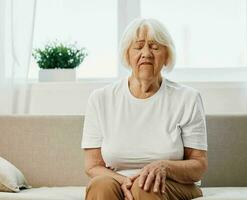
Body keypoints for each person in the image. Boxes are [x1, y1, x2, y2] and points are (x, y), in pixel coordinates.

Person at [81, 18, 208, 200]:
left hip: (172, 183)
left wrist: (164, 167)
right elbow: (92, 166)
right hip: (118, 180)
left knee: (146, 187)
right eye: (138, 46)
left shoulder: (188, 98)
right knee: (100, 186)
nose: (146, 53)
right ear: (127, 55)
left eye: (155, 47)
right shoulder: (101, 99)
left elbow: (199, 166)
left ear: (167, 56)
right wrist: (124, 181)